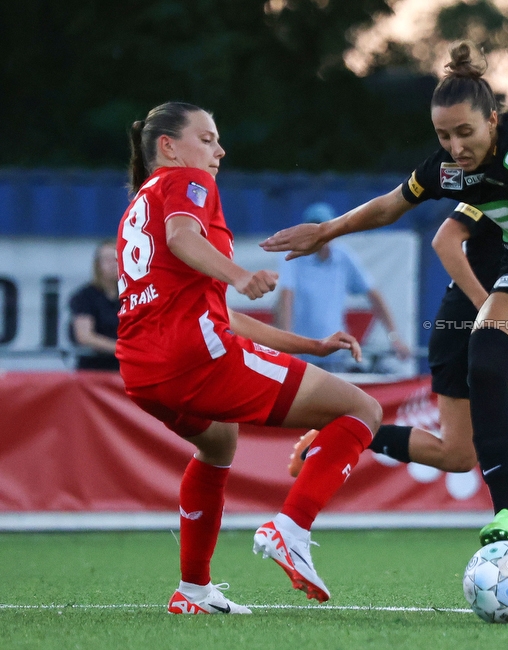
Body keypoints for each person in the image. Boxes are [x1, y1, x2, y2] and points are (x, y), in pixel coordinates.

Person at [261, 41, 508, 550]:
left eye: (466, 132)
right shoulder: (449, 167)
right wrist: (326, 231)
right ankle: (507, 517)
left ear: (494, 119)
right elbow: (390, 206)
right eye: (444, 135)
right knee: (485, 358)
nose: (456, 146)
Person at [117, 102, 382, 614]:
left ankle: (192, 591)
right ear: (169, 147)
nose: (219, 150)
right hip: (195, 358)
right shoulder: (186, 182)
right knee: (362, 411)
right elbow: (182, 237)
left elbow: (219, 314)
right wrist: (241, 276)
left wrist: (310, 345)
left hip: (142, 370)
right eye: (208, 137)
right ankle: (291, 530)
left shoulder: (138, 206)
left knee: (219, 443)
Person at [288, 93, 508, 550]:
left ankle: (345, 433)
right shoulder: (490, 179)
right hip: (472, 324)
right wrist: (489, 309)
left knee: (461, 455)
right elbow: (443, 240)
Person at [274, 201, 411, 372]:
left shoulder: (343, 257)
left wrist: (394, 338)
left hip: (335, 357)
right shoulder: (292, 256)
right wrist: (289, 345)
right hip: (302, 357)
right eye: (314, 226)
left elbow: (374, 295)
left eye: (324, 226)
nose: (319, 232)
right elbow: (286, 297)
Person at [68, 239, 120, 370]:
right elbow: (84, 336)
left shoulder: (133, 294)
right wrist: (121, 349)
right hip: (94, 371)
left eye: (117, 259)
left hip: (127, 370)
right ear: (98, 265)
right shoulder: (85, 296)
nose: (113, 264)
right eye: (107, 260)